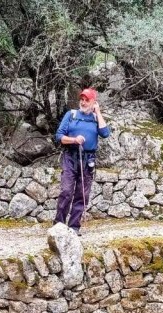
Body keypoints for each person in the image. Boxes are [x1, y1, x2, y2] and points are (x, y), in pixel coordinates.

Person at [54, 87, 110, 233]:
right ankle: (59, 226)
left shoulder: (95, 118)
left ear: (93, 102)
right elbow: (59, 136)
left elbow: (105, 133)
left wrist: (97, 112)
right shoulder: (71, 115)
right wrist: (74, 140)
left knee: (82, 194)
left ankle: (74, 227)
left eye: (87, 100)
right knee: (66, 191)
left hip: (88, 159)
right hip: (70, 157)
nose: (83, 103)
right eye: (82, 99)